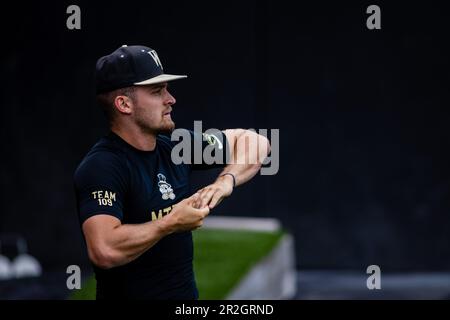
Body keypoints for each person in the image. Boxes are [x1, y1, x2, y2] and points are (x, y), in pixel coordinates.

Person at [73, 45, 270, 299]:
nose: (171, 99)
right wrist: (169, 223)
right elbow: (104, 249)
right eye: (157, 91)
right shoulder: (102, 167)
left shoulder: (176, 146)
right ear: (124, 104)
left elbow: (256, 142)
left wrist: (225, 181)